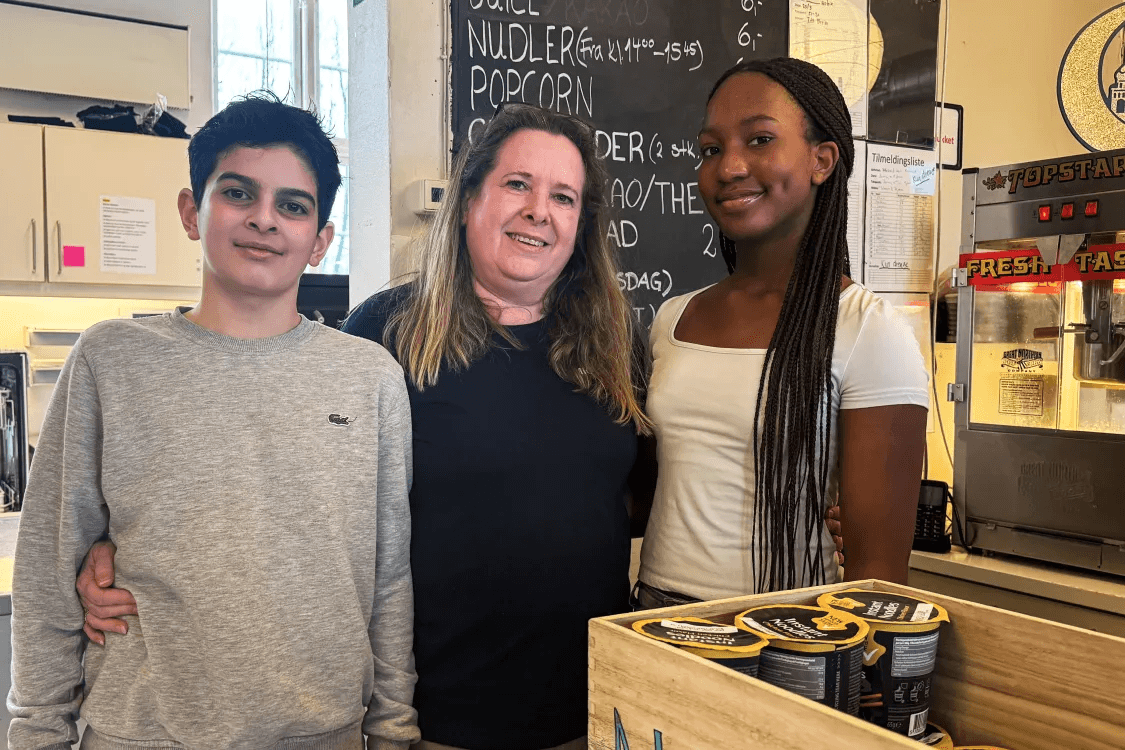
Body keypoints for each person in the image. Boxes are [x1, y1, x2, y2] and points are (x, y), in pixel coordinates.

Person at [76, 102, 653, 750]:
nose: (537, 210)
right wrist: (119, 551)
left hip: (590, 708)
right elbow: (295, 498)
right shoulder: (386, 333)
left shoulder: (615, 342)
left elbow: (637, 500)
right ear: (468, 202)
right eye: (516, 184)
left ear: (582, 223)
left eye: (563, 196)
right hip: (434, 716)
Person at [9, 93, 420, 750]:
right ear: (191, 212)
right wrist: (37, 735)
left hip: (324, 735)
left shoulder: (369, 377)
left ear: (319, 241)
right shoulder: (110, 360)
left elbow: (388, 576)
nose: (264, 219)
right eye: (238, 193)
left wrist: (393, 730)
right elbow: (49, 571)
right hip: (140, 735)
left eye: (292, 205)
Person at [633, 57, 929, 609]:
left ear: (822, 160)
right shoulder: (672, 320)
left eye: (760, 140)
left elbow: (880, 578)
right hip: (655, 619)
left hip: (785, 631)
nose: (729, 167)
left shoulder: (868, 330)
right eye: (711, 148)